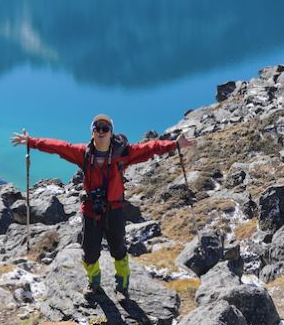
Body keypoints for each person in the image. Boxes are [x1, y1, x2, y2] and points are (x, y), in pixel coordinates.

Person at [11, 114, 194, 298]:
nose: (100, 131)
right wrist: (32, 142)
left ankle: (122, 288)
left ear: (111, 132)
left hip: (114, 210)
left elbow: (150, 148)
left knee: (119, 250)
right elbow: (58, 146)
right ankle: (94, 284)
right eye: (97, 127)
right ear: (92, 131)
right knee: (89, 252)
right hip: (91, 210)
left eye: (105, 128)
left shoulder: (122, 154)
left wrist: (175, 144)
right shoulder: (83, 153)